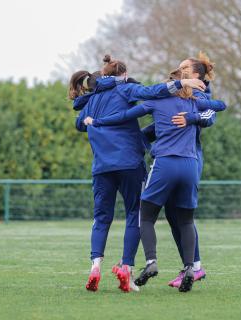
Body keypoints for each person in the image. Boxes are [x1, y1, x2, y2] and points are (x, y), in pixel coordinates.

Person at [73, 55, 206, 292]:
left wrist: (98, 121)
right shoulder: (127, 90)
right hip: (133, 164)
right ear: (123, 76)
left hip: (102, 167)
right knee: (137, 214)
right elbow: (153, 92)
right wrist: (181, 85)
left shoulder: (90, 101)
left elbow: (81, 124)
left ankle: (96, 266)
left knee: (102, 218)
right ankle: (127, 268)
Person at [140, 52, 218, 288]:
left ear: (196, 74)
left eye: (185, 66)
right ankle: (190, 267)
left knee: (182, 217)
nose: (180, 68)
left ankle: (195, 266)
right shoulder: (178, 91)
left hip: (189, 157)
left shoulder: (201, 93)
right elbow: (166, 118)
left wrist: (190, 118)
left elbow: (209, 115)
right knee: (177, 217)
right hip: (179, 157)